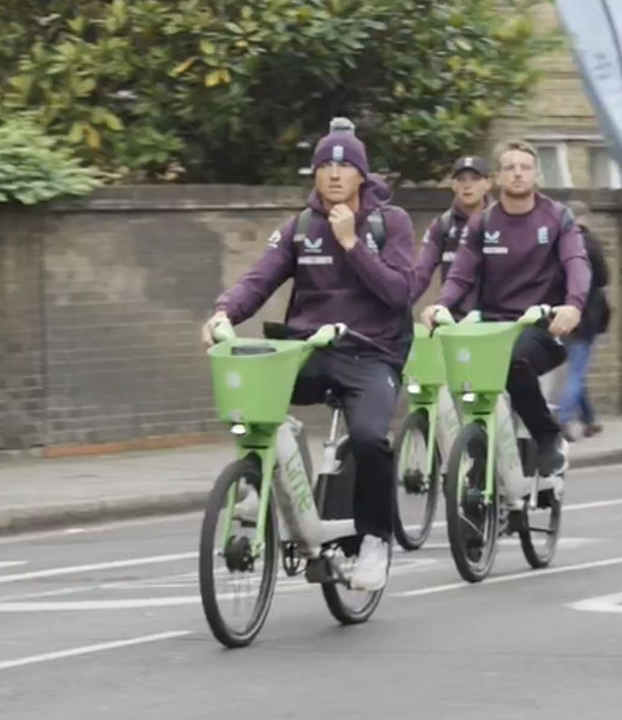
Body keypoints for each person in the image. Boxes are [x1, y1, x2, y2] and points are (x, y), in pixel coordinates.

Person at [201, 120, 415, 592]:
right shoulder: (300, 227)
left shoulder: (390, 223)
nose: (334, 173)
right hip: (310, 350)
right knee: (256, 399)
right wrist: (223, 312)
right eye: (324, 164)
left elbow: (399, 292)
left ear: (361, 174)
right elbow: (259, 278)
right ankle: (257, 482)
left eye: (344, 165)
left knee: (368, 438)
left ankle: (375, 541)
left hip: (371, 353)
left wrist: (352, 244)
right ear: (315, 174)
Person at [420, 139, 591, 479]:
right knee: (466, 380)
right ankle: (482, 458)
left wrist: (572, 306)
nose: (517, 174)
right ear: (497, 177)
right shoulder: (482, 223)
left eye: (525, 167)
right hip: (492, 327)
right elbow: (460, 275)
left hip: (542, 327)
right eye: (510, 167)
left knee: (516, 362)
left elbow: (577, 263)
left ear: (536, 174)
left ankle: (548, 436)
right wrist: (439, 306)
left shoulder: (557, 217)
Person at [411, 155, 494, 313]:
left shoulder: (501, 221)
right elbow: (421, 272)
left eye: (475, 179)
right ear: (453, 185)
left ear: (488, 184)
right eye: (461, 179)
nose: (467, 185)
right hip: (453, 316)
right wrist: (399, 304)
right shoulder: (442, 225)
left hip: (496, 317)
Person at [558, 200, 610, 440]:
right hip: (585, 316)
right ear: (584, 218)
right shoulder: (589, 243)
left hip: (560, 314)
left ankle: (588, 420)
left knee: (577, 369)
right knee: (576, 372)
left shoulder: (556, 243)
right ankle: (562, 420)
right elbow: (603, 278)